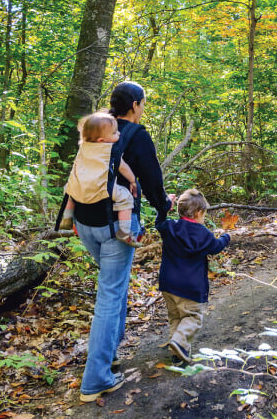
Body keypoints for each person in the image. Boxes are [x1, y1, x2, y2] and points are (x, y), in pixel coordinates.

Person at [74, 81, 174, 402]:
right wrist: (164, 206)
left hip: (84, 220)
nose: (143, 108)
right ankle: (96, 379)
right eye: (142, 103)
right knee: (111, 293)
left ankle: (109, 355)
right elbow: (152, 180)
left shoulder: (97, 129)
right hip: (115, 222)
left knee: (112, 287)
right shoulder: (136, 135)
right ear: (134, 105)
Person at [157, 189, 230, 363]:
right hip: (189, 286)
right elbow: (216, 246)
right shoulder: (202, 233)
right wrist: (226, 237)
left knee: (176, 317)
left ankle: (178, 354)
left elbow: (159, 222)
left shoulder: (170, 227)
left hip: (168, 284)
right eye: (204, 213)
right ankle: (179, 342)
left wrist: (164, 207)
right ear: (198, 213)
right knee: (192, 317)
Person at [60, 112, 141, 247]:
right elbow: (123, 168)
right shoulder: (110, 150)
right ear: (101, 140)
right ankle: (124, 231)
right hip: (100, 188)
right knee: (125, 197)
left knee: (68, 191)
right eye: (115, 133)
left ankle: (67, 218)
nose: (119, 134)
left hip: (80, 186)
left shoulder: (83, 146)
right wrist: (133, 181)